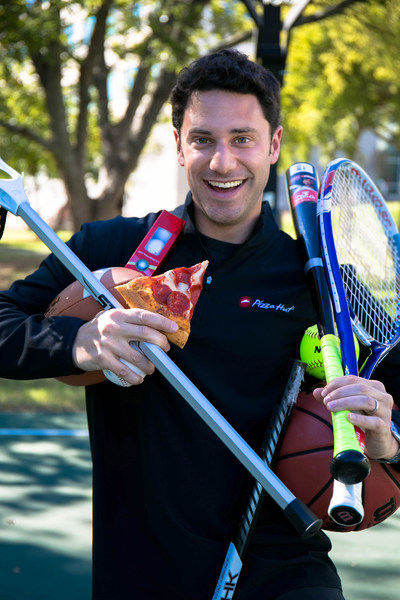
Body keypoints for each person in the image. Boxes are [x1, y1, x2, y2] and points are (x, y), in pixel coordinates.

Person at [0, 49, 399, 600]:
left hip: (284, 569)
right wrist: (80, 342)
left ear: (274, 145)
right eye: (204, 139)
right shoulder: (111, 248)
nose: (222, 162)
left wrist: (388, 438)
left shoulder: (320, 280)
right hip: (143, 570)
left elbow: (391, 408)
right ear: (179, 144)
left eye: (242, 139)